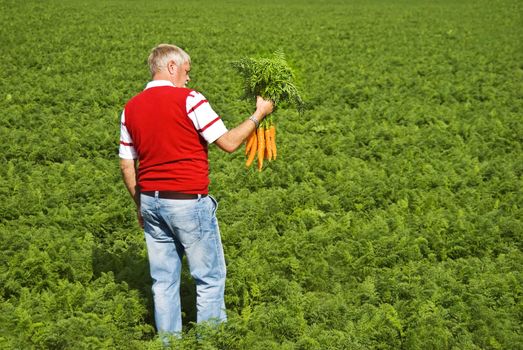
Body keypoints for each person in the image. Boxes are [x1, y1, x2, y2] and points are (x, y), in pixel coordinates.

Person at [118, 44, 273, 339]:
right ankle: (211, 342)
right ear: (172, 67)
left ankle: (170, 344)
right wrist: (259, 114)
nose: (189, 78)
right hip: (187, 201)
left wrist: (140, 204)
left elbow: (127, 166)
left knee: (162, 281)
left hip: (151, 200)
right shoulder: (190, 100)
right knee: (210, 278)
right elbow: (228, 143)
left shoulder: (131, 107)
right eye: (187, 71)